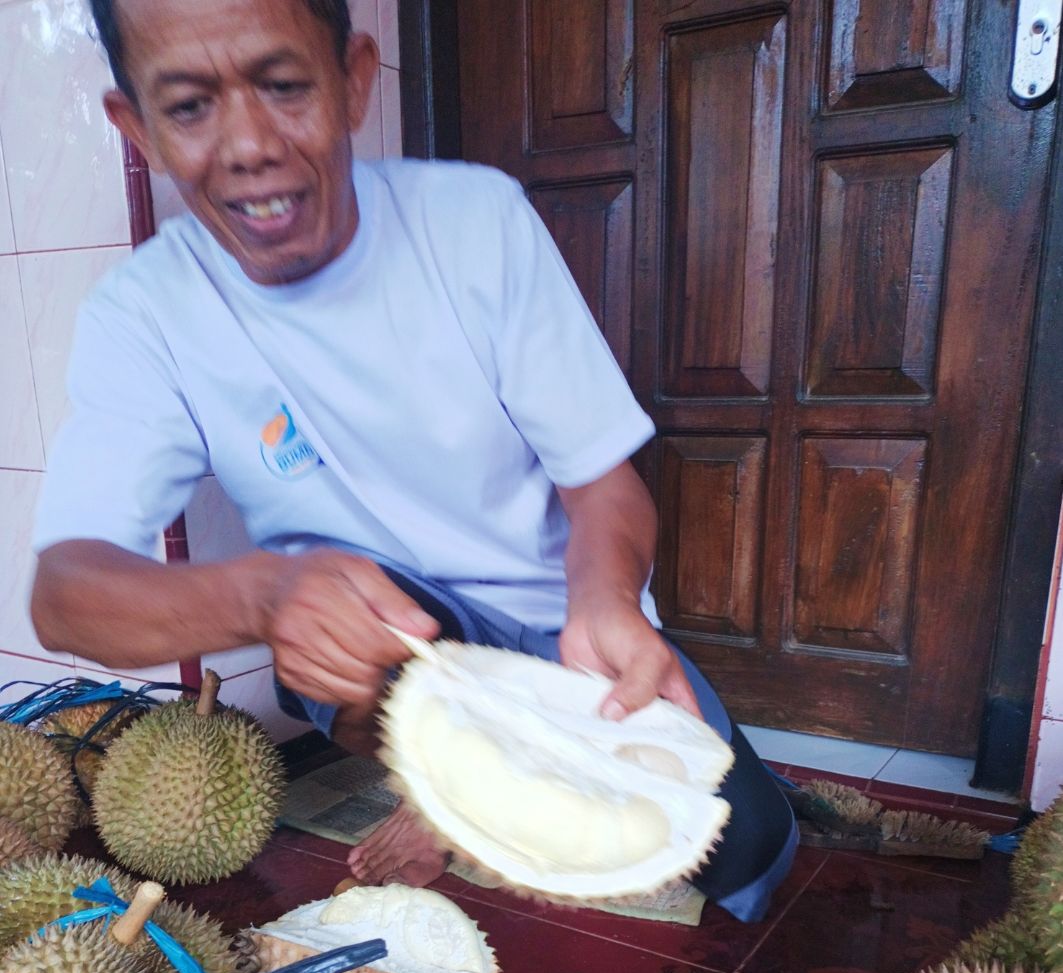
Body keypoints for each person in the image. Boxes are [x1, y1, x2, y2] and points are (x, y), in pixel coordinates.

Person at [30, 0, 796, 920]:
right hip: (377, 641)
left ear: (353, 81)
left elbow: (603, 487)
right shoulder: (144, 315)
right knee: (364, 616)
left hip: (564, 625)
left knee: (739, 836)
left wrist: (602, 602)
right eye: (190, 107)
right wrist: (263, 595)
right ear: (137, 128)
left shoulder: (474, 224)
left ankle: (464, 797)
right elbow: (65, 594)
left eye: (283, 87)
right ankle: (437, 789)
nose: (248, 146)